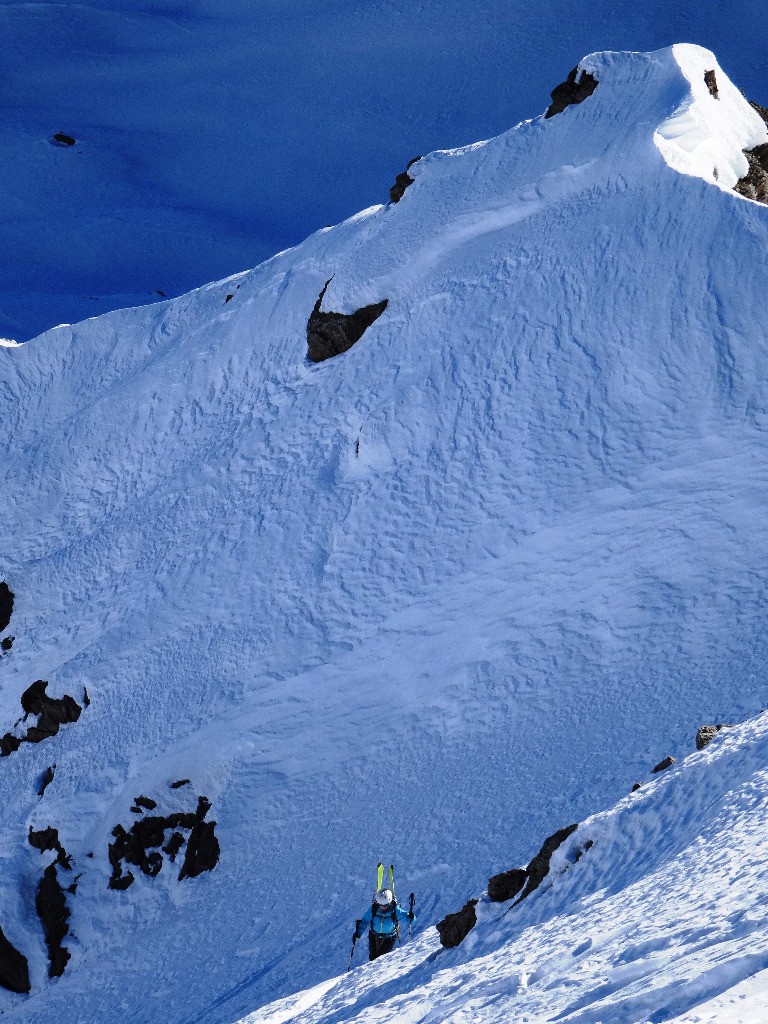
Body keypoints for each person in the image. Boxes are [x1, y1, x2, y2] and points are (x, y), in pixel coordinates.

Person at [354, 888, 414, 962]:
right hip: (374, 936)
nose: (382, 907)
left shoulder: (395, 910)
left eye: (385, 905)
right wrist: (358, 933)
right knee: (372, 958)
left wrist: (411, 917)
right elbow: (365, 921)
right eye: (381, 905)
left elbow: (408, 919)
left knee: (381, 959)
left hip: (389, 938)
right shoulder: (374, 909)